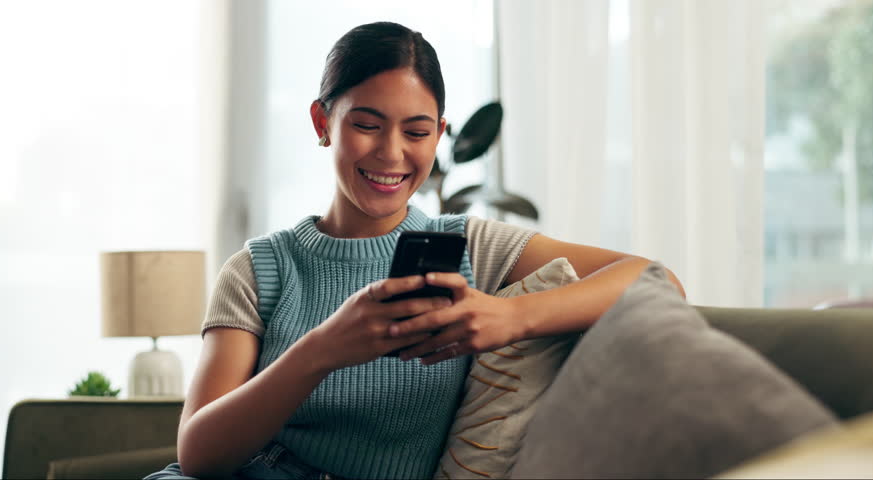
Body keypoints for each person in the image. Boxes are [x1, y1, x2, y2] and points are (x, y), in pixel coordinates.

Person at [146, 21, 685, 480]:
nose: (392, 153)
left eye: (417, 131)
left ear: (439, 135)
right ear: (322, 122)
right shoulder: (260, 268)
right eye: (366, 125)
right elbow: (198, 453)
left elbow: (656, 280)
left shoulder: (472, 247)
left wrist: (511, 315)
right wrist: (325, 348)